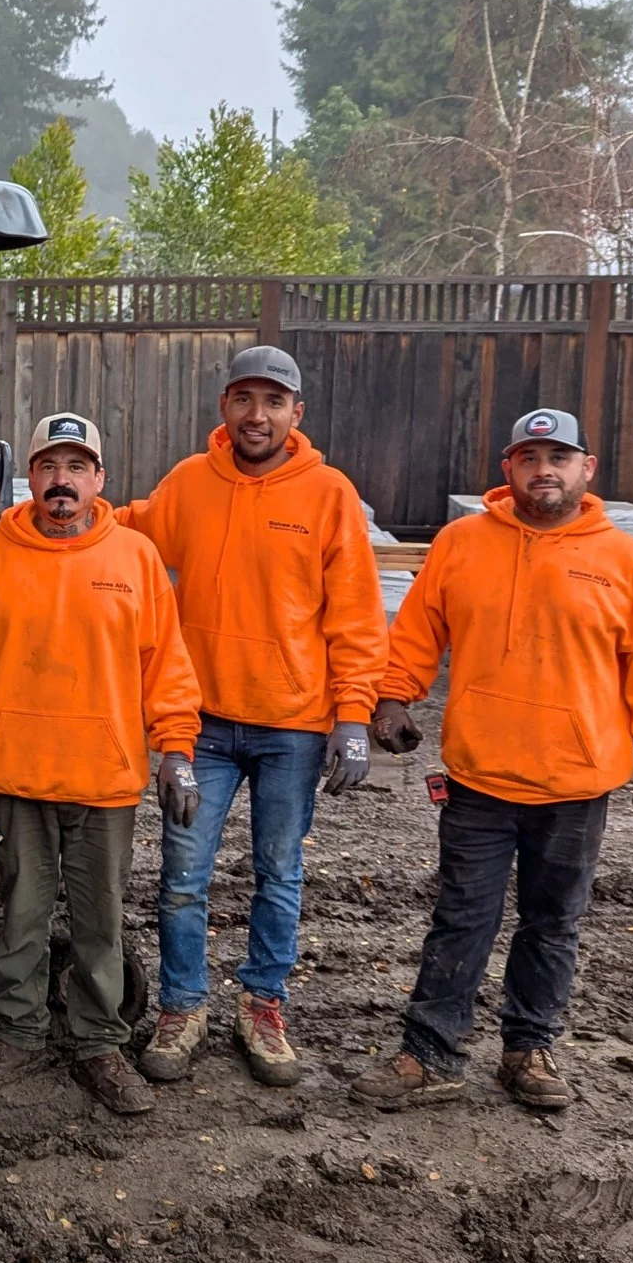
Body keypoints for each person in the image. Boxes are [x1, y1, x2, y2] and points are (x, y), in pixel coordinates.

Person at [351, 409, 633, 1113]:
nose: (545, 470)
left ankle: (529, 1050)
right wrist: (390, 698)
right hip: (478, 776)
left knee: (553, 923)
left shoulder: (626, 562)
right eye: (530, 457)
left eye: (559, 458)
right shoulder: (462, 544)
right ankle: (430, 1055)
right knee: (461, 918)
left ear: (586, 469)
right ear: (508, 468)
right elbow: (417, 632)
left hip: (577, 783)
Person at [0, 413, 202, 1117]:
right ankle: (17, 1034)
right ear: (30, 478)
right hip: (15, 776)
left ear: (100, 479)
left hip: (105, 781)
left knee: (101, 923)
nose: (61, 481)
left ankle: (99, 1043)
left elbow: (166, 667)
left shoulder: (135, 558)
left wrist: (177, 750)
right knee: (21, 916)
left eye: (76, 467)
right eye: (48, 466)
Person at [119, 345, 388, 1089]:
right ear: (225, 407)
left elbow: (357, 616)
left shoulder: (328, 495)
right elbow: (133, 529)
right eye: (244, 399)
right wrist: (56, 504)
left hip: (291, 726)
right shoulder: (190, 482)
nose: (257, 416)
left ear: (297, 412)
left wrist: (354, 716)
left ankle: (263, 1006)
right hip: (199, 723)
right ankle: (182, 1007)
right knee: (182, 875)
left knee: (278, 872)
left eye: (273, 402)